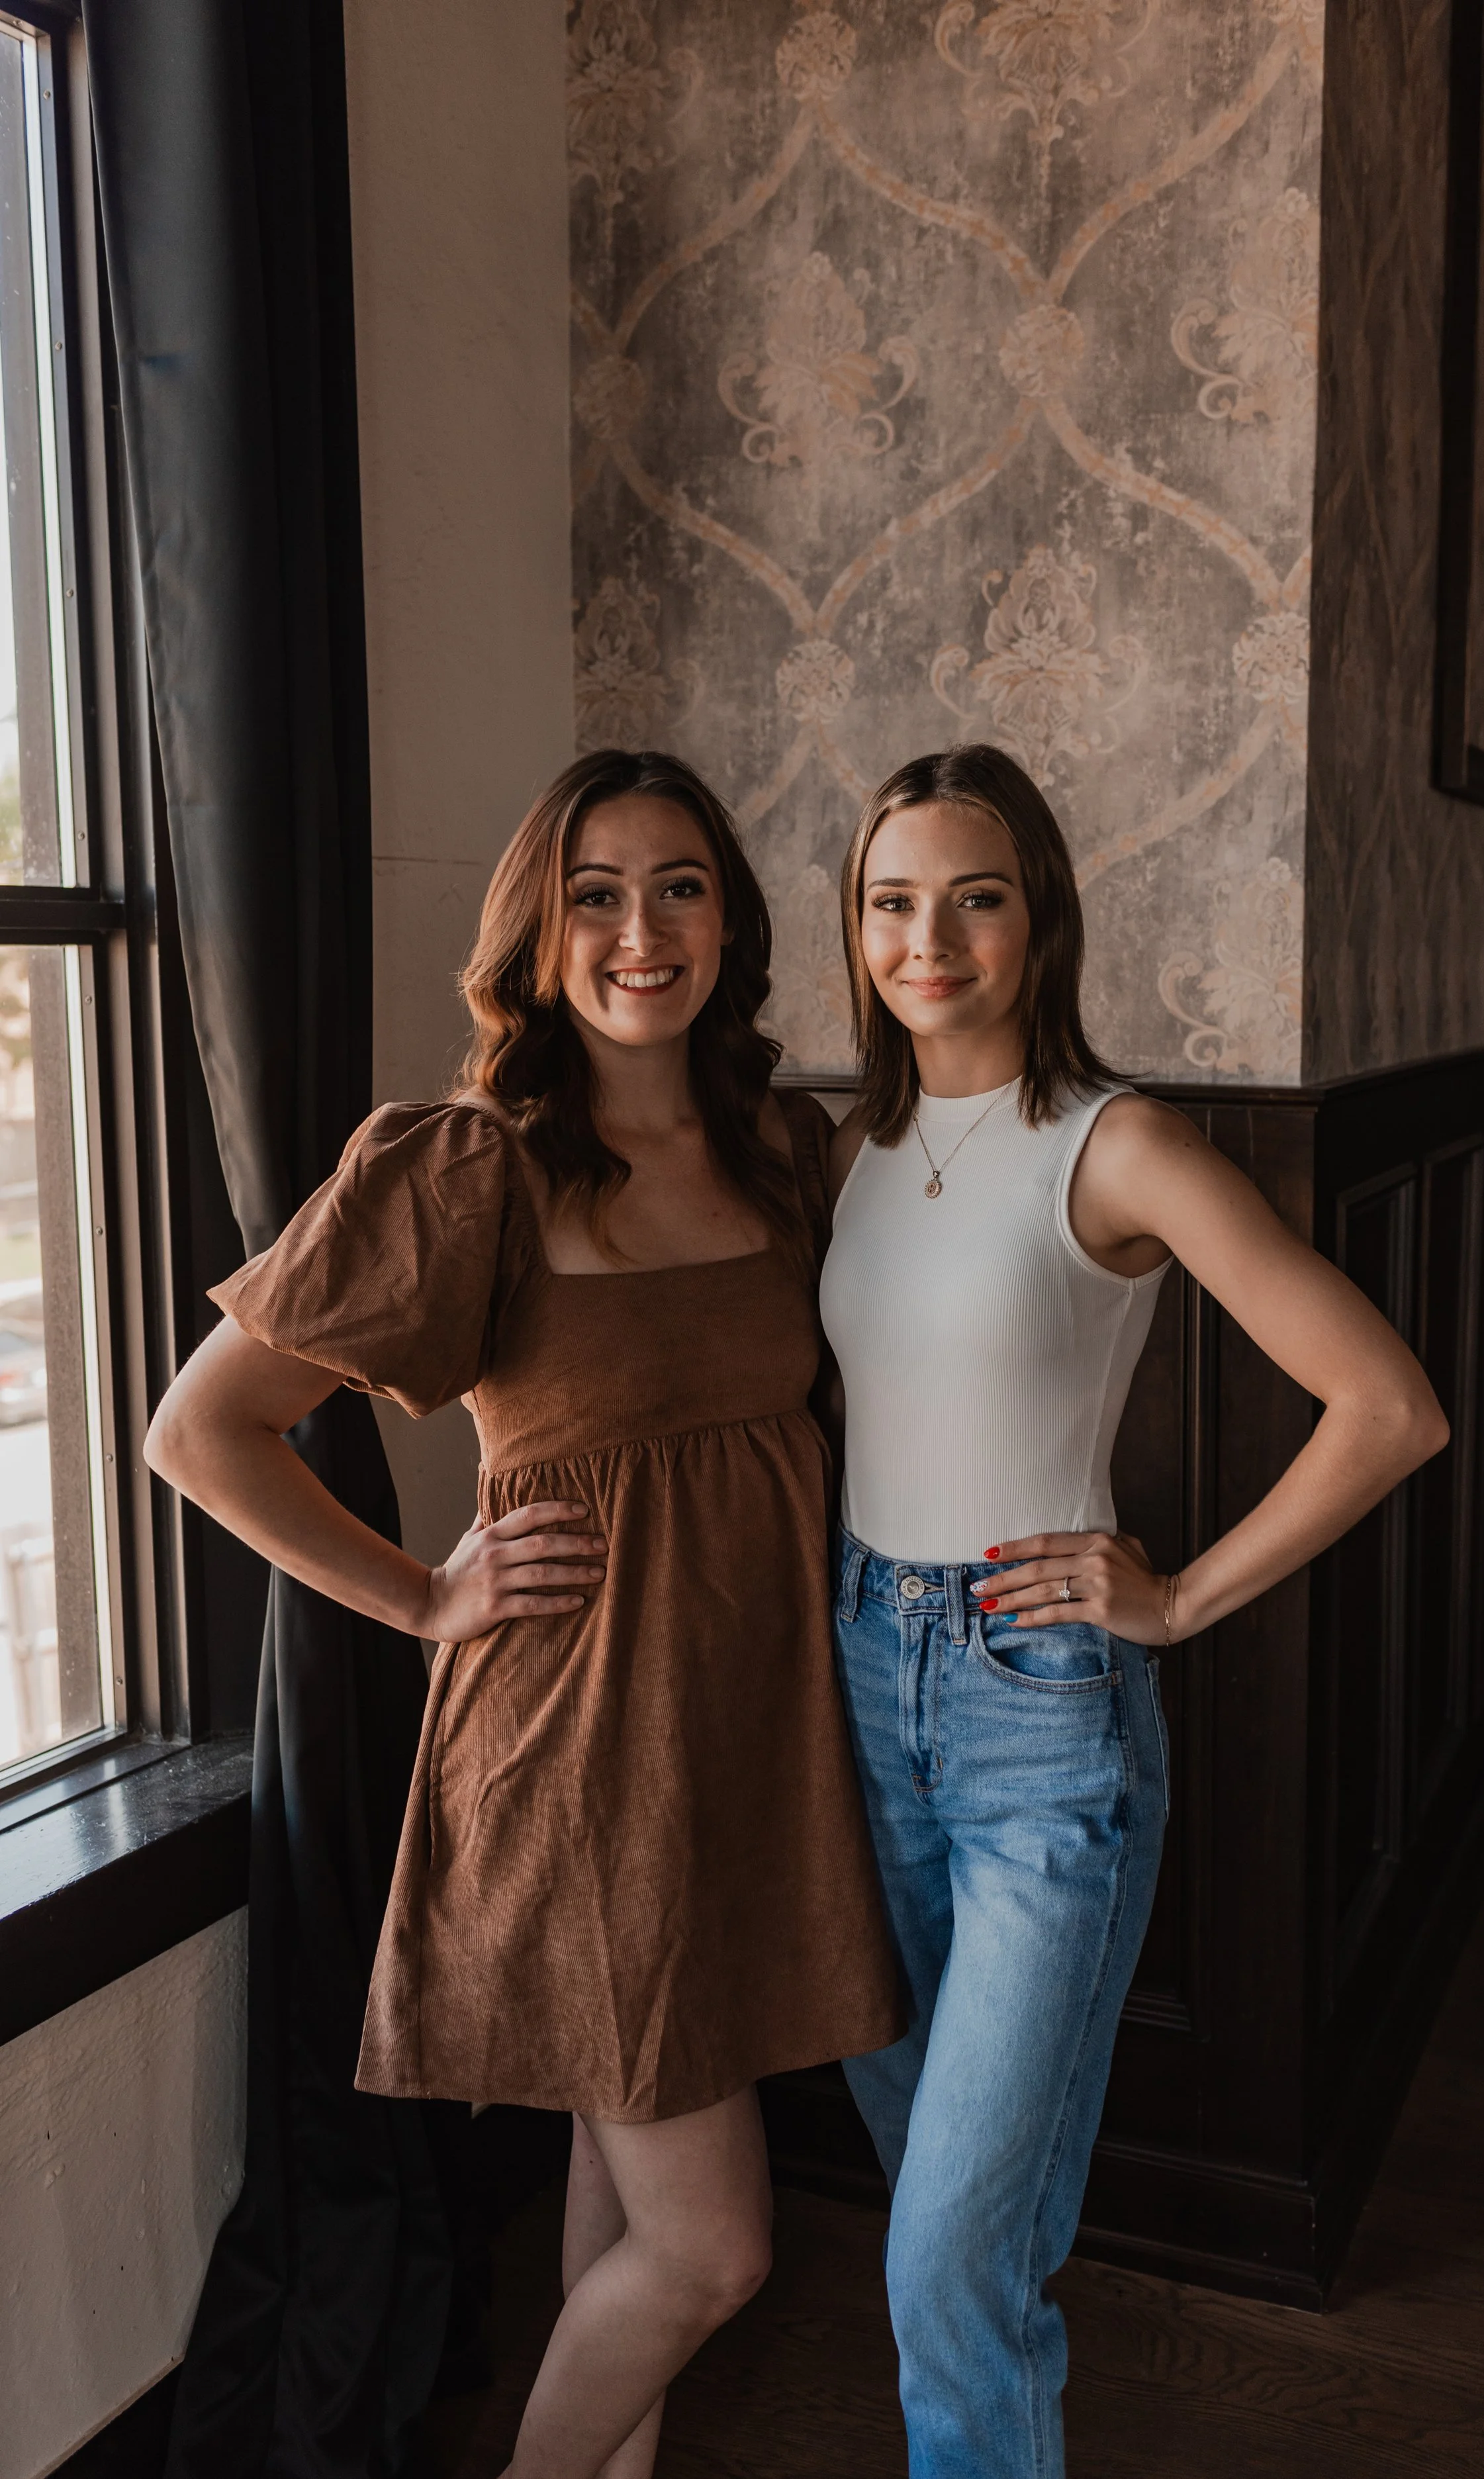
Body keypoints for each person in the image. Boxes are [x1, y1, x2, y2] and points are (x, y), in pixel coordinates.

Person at [145, 749, 902, 2479]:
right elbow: (201, 1433)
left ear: (732, 917)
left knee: (612, 2173)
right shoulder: (466, 1164)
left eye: (682, 886)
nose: (644, 929)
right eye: (596, 894)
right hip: (577, 1763)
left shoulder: (783, 1148)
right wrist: (421, 1596)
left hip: (742, 1739)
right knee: (716, 2249)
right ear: (538, 936)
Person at [819, 743, 1448, 2479]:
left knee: (953, 2249)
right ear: (853, 928)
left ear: (1040, 919)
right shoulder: (846, 1145)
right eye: (889, 902)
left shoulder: (1118, 1143)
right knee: (933, 2209)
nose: (924, 937)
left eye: (973, 897)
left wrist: (1175, 1598)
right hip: (857, 1683)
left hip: (1039, 1713)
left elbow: (1387, 1408)